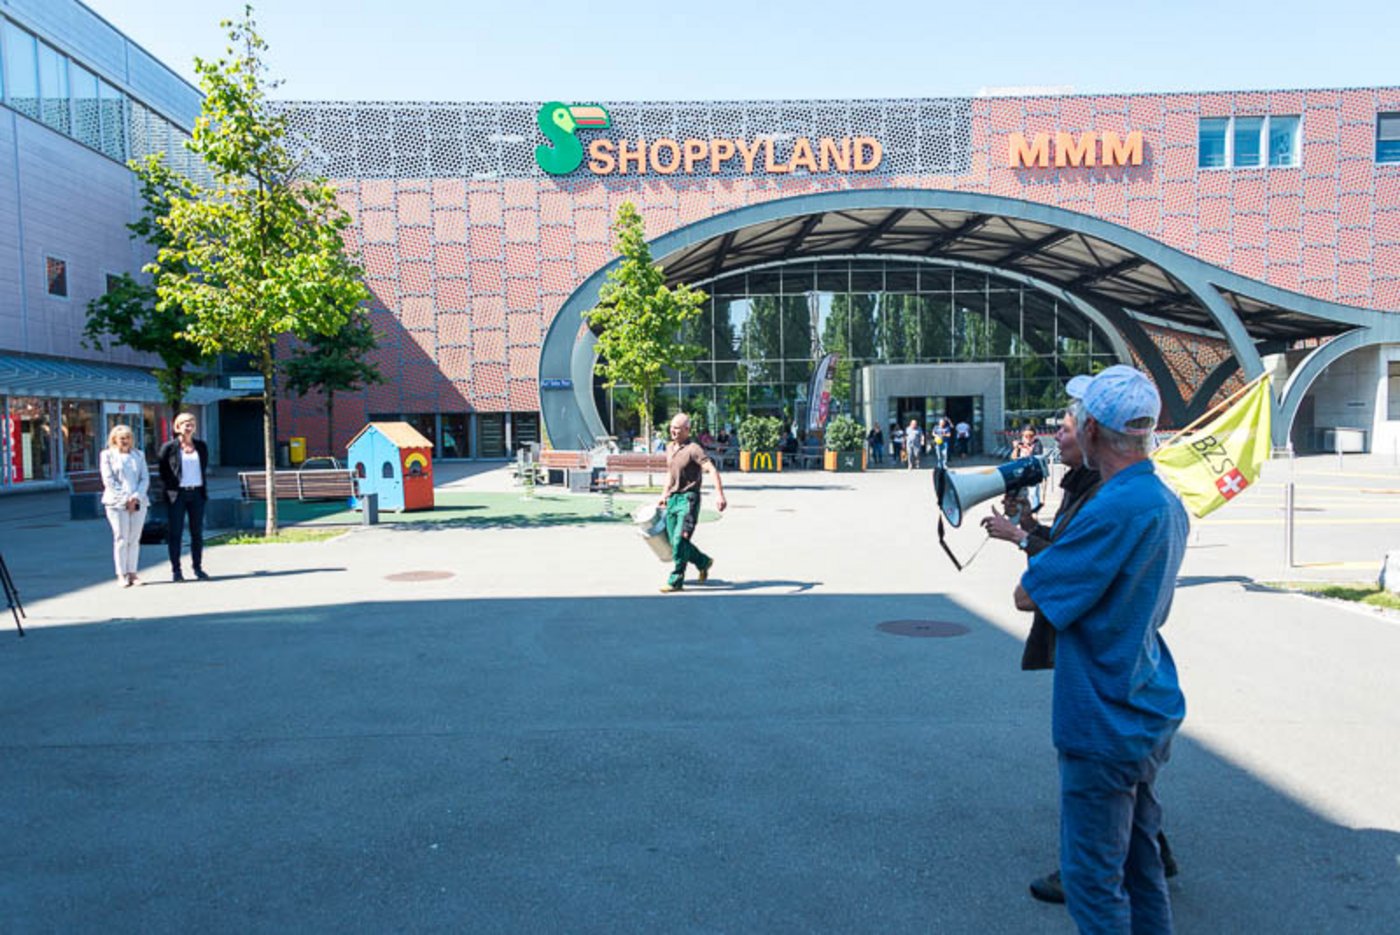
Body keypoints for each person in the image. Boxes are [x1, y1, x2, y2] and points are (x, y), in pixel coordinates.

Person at [1012, 365, 1188, 933]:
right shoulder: (1161, 499)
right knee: (1140, 870)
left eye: (1075, 420)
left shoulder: (1110, 509)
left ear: (1092, 432)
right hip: (1146, 702)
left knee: (1092, 882)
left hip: (1102, 717)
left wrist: (1025, 541)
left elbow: (1028, 595)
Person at [657, 413, 728, 593]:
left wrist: (720, 495)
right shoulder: (670, 448)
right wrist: (664, 494)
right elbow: (669, 473)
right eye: (672, 427)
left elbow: (711, 469)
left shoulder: (694, 449)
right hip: (673, 500)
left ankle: (676, 580)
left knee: (680, 540)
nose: (673, 431)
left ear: (687, 430)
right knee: (674, 543)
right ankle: (703, 562)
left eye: (678, 428)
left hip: (689, 499)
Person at [157, 411, 211, 582]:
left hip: (196, 493)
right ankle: (176, 570)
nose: (189, 426)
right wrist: (170, 489)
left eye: (192, 423)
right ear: (177, 427)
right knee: (176, 533)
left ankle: (198, 568)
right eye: (185, 423)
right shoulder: (169, 448)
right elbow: (163, 471)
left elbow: (203, 468)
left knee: (197, 533)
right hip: (177, 495)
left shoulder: (201, 446)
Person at [100, 424, 149, 588]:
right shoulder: (107, 455)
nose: (125, 441)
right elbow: (109, 480)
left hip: (138, 501)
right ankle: (121, 574)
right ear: (114, 439)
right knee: (121, 538)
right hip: (116, 503)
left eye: (128, 438)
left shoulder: (138, 455)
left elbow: (144, 478)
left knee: (134, 539)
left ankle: (133, 572)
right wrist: (125, 498)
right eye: (122, 438)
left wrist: (136, 497)